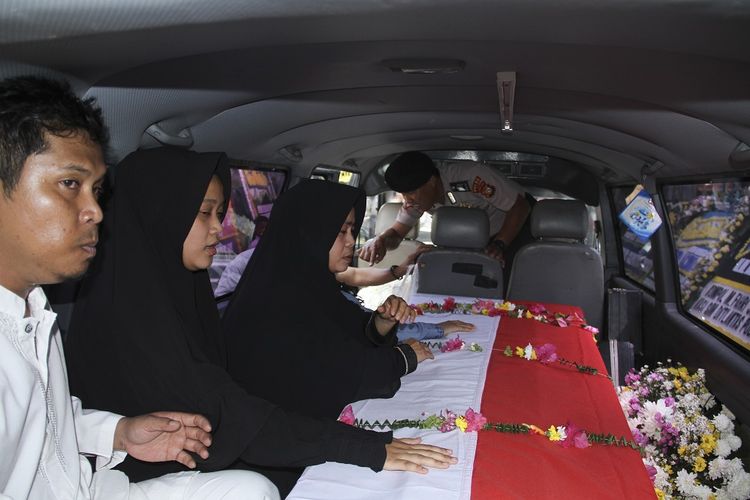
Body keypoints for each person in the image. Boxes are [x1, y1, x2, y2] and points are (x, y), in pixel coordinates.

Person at [65, 148, 456, 498]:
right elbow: (236, 410)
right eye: (205, 213)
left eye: (220, 213)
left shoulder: (178, 292)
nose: (219, 228)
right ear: (162, 211)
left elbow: (344, 346)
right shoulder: (134, 313)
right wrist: (367, 445)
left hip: (237, 444)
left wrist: (382, 330)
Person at [0, 76, 277, 499]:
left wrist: (120, 432)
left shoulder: (33, 309)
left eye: (96, 190)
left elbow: (49, 422)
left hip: (90, 488)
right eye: (70, 184)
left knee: (252, 489)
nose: (94, 210)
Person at [222, 180, 435, 420]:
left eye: (352, 231)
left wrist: (382, 322)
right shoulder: (275, 303)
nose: (350, 241)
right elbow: (342, 373)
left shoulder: (314, 287)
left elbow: (350, 337)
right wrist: (404, 358)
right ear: (310, 232)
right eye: (341, 231)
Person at [359, 151, 536, 288]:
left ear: (431, 181)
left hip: (514, 228)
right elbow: (397, 234)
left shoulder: (472, 176)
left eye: (411, 192)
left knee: (510, 285)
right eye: (403, 194)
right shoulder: (416, 201)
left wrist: (499, 244)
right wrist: (380, 240)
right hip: (475, 241)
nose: (407, 200)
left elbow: (521, 206)